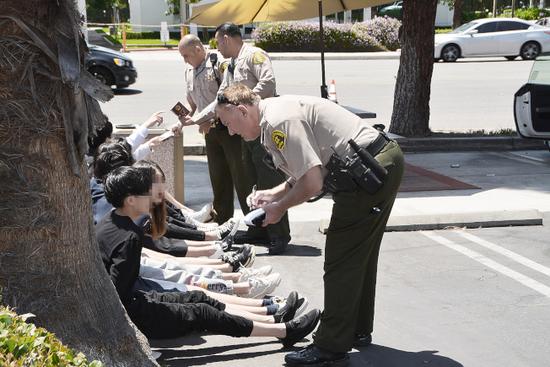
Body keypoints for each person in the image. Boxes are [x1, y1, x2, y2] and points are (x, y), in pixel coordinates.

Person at [215, 84, 405, 366]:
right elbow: (308, 169)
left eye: (230, 124)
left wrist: (279, 208)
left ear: (243, 111)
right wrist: (275, 194)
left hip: (368, 172)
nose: (231, 132)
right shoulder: (275, 115)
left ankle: (330, 347)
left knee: (341, 261)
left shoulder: (279, 121)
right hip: (377, 163)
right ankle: (355, 330)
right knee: (358, 256)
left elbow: (313, 182)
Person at [96, 165, 321, 343]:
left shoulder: (111, 222)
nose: (154, 198)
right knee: (203, 312)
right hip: (138, 313)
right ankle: (283, 330)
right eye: (147, 193)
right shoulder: (128, 238)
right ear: (131, 200)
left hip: (138, 298)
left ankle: (273, 318)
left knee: (201, 298)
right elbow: (118, 296)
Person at [174, 23, 291, 255]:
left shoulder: (254, 55)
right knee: (249, 182)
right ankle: (258, 227)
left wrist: (244, 106)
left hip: (261, 128)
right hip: (244, 131)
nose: (216, 47)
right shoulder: (229, 64)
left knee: (268, 181)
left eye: (218, 41)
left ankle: (279, 234)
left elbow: (268, 84)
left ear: (226, 38)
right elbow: (221, 99)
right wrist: (198, 119)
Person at [176, 34, 254, 226]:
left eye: (186, 55)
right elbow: (193, 100)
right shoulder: (189, 70)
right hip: (209, 131)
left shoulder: (218, 62)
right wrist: (186, 116)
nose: (185, 60)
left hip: (228, 127)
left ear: (198, 49)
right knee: (218, 179)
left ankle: (255, 223)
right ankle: (223, 222)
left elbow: (225, 95)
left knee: (241, 177)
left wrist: (201, 118)